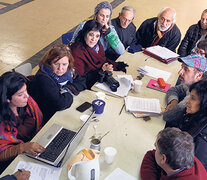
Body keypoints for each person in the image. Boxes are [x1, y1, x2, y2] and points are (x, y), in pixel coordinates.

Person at [27, 44, 86, 124]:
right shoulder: (44, 79)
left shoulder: (69, 71)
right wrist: (69, 94)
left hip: (59, 112)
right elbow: (60, 104)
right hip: (45, 118)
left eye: (64, 64)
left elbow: (82, 82)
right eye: (56, 64)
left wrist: (66, 90)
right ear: (49, 63)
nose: (60, 68)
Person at [0, 72, 44, 173]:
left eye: (26, 91)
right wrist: (22, 147)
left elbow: (40, 122)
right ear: (7, 99)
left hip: (34, 147)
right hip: (14, 162)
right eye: (20, 94)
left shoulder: (26, 103)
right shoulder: (2, 121)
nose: (27, 96)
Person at [70, 20, 128, 89]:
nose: (94, 39)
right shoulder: (76, 51)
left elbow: (102, 60)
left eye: (97, 36)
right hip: (85, 86)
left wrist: (106, 66)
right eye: (91, 34)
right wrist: (101, 71)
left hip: (97, 82)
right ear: (85, 33)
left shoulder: (98, 46)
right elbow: (80, 79)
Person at [165, 80, 207, 170]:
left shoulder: (202, 139)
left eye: (193, 98)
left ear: (204, 104)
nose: (187, 101)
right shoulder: (192, 114)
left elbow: (194, 172)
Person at [140, 127, 207, 180]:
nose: (154, 146)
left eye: (156, 146)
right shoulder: (184, 155)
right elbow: (150, 155)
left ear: (163, 158)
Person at [163, 55, 207, 123]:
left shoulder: (193, 98)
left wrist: (176, 107)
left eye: (186, 69)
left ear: (199, 75)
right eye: (182, 67)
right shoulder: (190, 84)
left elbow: (167, 116)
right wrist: (174, 101)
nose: (180, 72)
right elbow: (173, 90)